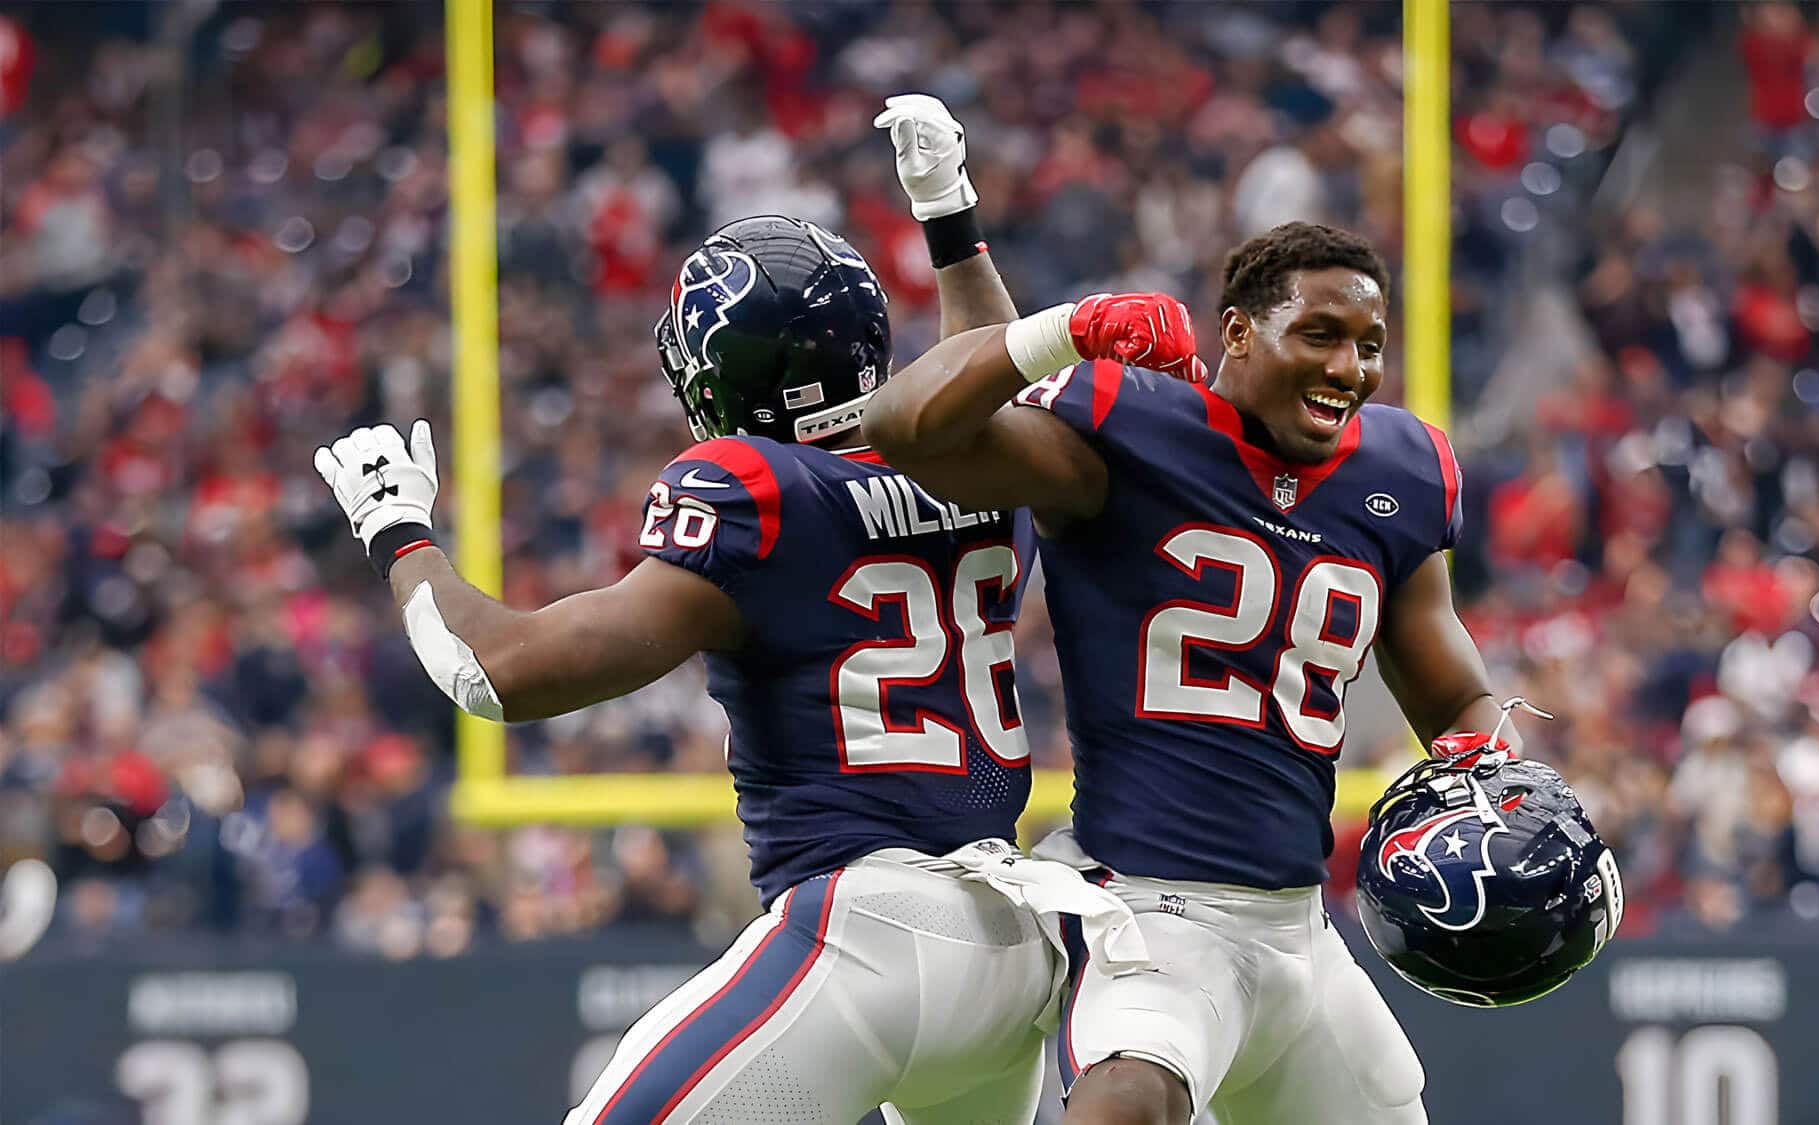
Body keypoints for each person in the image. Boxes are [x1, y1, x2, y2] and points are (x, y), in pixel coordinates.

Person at [314, 97, 1147, 1125]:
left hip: (868, 933)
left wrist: (398, 533)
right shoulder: (985, 467)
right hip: (1010, 949)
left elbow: (496, 672)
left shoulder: (759, 491)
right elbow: (984, 373)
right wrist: (947, 214)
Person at [865, 219, 1615, 1123]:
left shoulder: (1401, 470)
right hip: (1151, 909)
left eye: (1369, 345)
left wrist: (1488, 777)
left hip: (1300, 930)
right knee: (1129, 1101)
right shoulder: (1134, 428)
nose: (1348, 367)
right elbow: (906, 430)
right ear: (1238, 332)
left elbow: (1455, 694)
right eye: (1320, 334)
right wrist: (1064, 328)